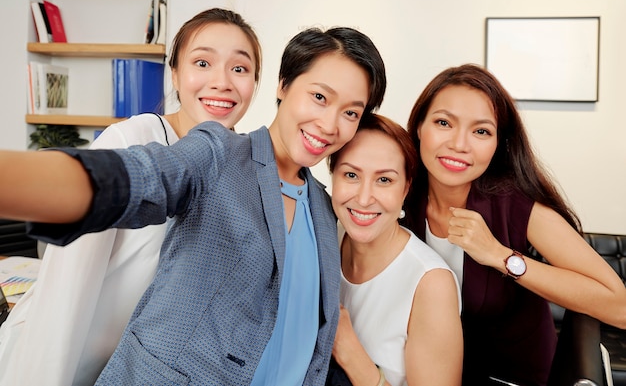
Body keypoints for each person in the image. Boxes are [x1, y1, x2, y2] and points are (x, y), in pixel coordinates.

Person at [0, 25, 387, 385]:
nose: (331, 124)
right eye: (319, 97)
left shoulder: (324, 206)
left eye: (351, 112)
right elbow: (137, 177)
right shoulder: (219, 152)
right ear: (283, 85)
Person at [0, 7, 262, 386]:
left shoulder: (243, 167)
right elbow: (66, 285)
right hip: (57, 360)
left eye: (239, 69)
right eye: (202, 62)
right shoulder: (133, 141)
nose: (222, 82)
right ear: (174, 73)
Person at [402, 63, 626, 386]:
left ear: (498, 144)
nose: (459, 144)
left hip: (513, 378)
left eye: (481, 131)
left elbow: (619, 306)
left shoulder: (515, 205)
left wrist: (500, 256)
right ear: (419, 127)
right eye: (443, 123)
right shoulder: (401, 198)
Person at [326, 114, 463, 386]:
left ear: (406, 189)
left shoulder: (431, 284)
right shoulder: (323, 238)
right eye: (351, 175)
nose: (364, 198)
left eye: (384, 180)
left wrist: (351, 355)